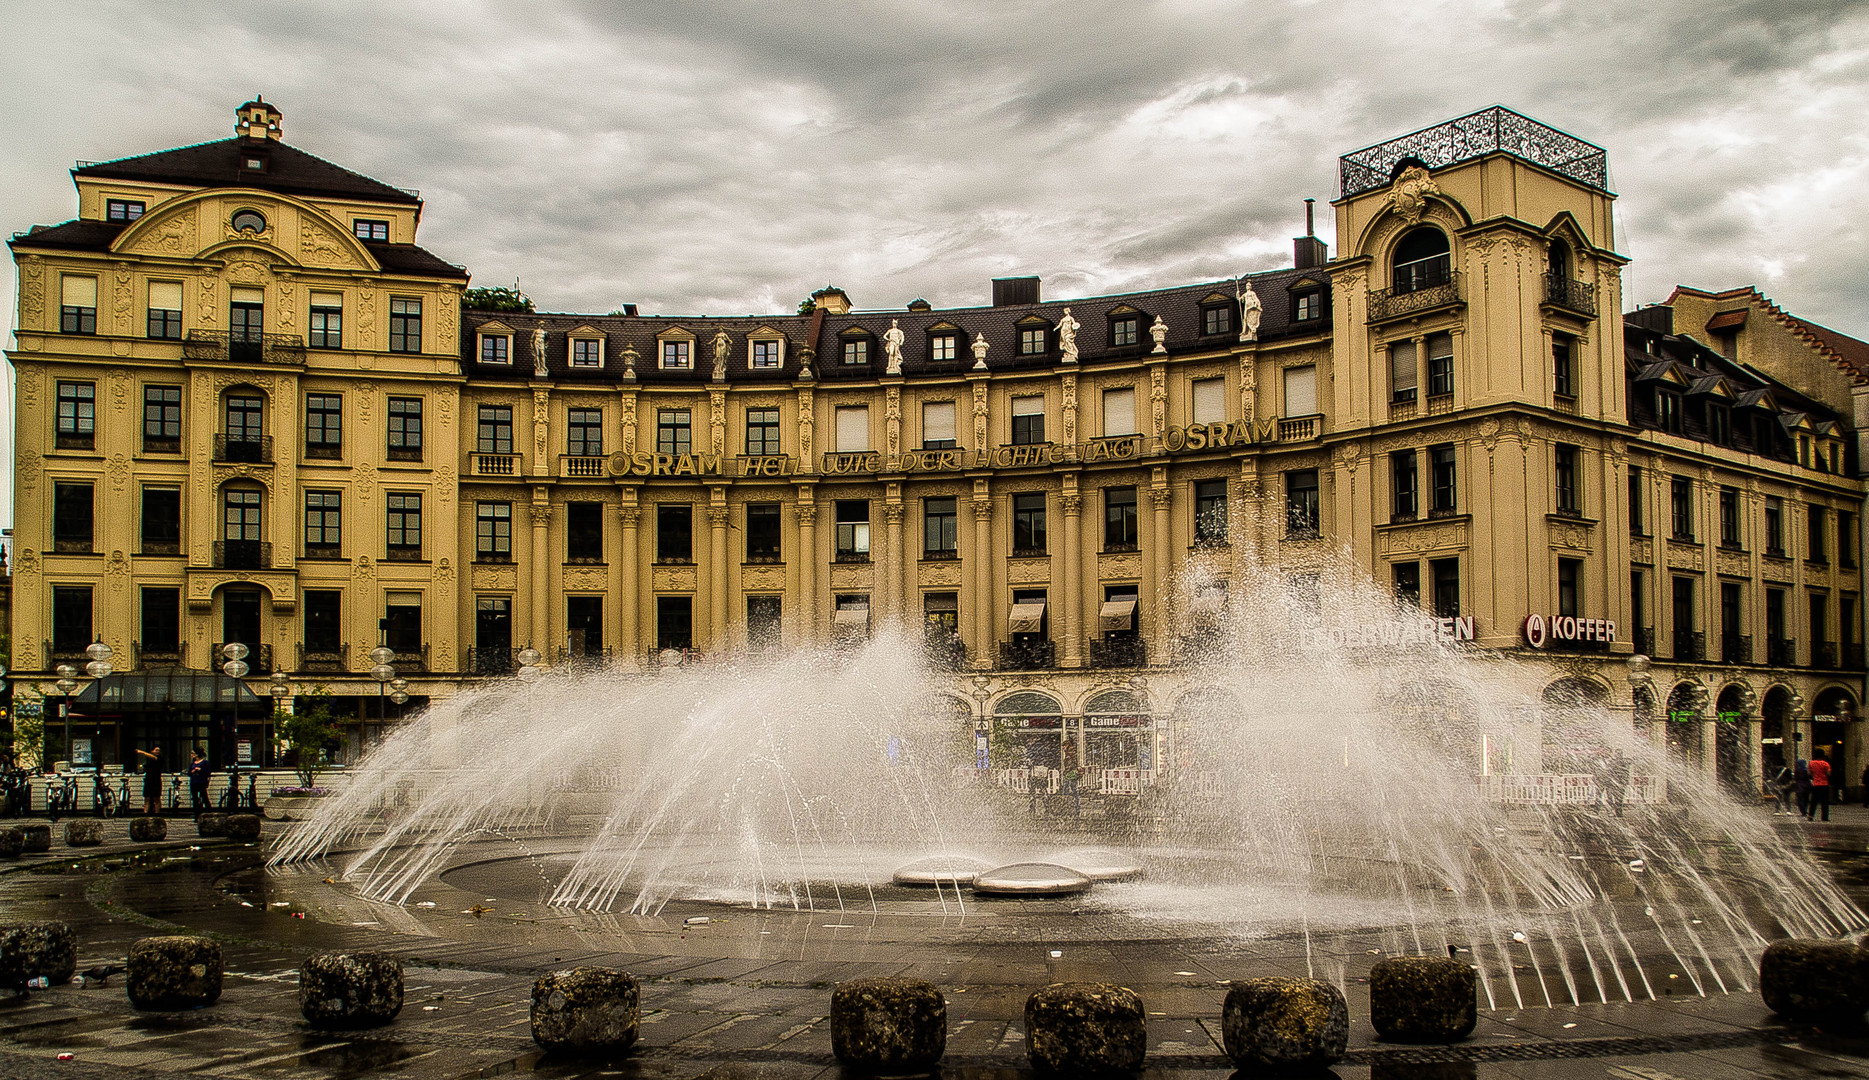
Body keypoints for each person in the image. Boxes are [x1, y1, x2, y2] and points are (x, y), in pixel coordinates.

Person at [132, 745, 162, 816]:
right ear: (152, 751)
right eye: (156, 750)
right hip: (148, 780)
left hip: (156, 780)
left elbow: (153, 757)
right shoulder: (148, 761)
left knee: (156, 798)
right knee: (147, 798)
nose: (157, 752)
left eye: (158, 750)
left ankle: (157, 814)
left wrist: (141, 752)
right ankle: (145, 813)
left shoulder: (160, 758)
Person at [1807, 750, 1832, 822]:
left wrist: (1815, 776)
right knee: (1824, 802)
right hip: (1824, 784)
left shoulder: (1811, 763)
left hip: (1815, 784)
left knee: (1813, 801)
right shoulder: (1825, 764)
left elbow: (1810, 773)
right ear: (1823, 755)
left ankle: (1811, 815)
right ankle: (1824, 817)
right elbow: (1828, 774)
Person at [187, 747, 211, 815]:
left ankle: (209, 812)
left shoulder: (205, 762)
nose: (191, 755)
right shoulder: (192, 763)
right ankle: (196, 814)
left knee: (204, 797)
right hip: (194, 782)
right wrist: (192, 771)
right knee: (195, 799)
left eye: (193, 753)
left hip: (201, 781)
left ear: (197, 754)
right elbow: (189, 773)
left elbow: (208, 772)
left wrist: (200, 770)